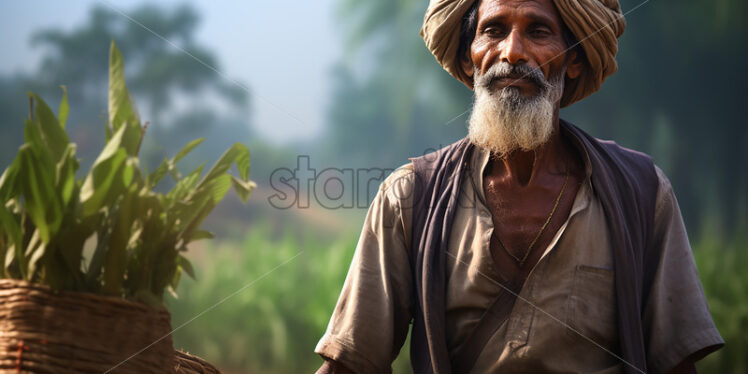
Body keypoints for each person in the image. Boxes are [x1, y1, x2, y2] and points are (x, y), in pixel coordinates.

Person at [314, 0, 724, 373]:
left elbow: (676, 364)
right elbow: (351, 364)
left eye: (538, 32)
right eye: (493, 31)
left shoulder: (642, 192)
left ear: (575, 60)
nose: (512, 52)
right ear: (469, 58)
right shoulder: (408, 198)